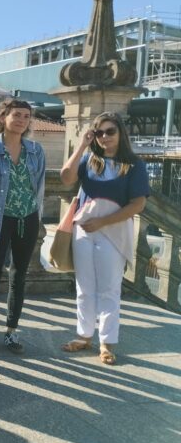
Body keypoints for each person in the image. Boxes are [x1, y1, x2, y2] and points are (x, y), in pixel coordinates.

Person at [59, 112, 149, 365]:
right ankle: (83, 335)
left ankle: (107, 343)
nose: (105, 137)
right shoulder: (89, 159)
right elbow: (66, 177)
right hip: (83, 231)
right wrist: (82, 146)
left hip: (113, 231)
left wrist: (103, 221)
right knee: (84, 288)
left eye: (110, 131)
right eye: (99, 132)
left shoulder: (133, 164)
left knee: (109, 289)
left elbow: (138, 204)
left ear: (120, 133)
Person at [0, 99, 45, 355]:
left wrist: (36, 215)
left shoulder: (36, 151)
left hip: (27, 218)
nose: (21, 120)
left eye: (26, 116)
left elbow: (38, 185)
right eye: (16, 114)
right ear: (3, 116)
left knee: (19, 275)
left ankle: (12, 330)